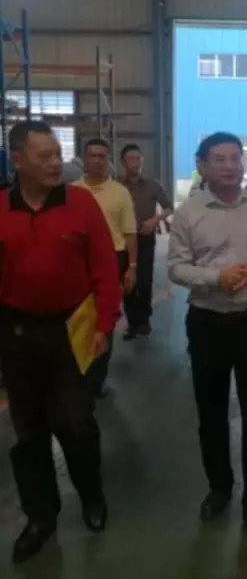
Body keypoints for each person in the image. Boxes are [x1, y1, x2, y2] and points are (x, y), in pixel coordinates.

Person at [0, 121, 121, 563]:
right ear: (17, 160)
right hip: (16, 334)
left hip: (73, 330)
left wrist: (105, 323)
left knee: (75, 422)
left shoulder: (81, 203)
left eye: (57, 153)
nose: (56, 163)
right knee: (28, 431)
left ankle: (91, 496)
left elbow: (104, 267)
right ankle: (40, 517)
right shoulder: (1, 208)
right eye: (45, 156)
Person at [167, 132, 247, 547]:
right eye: (220, 159)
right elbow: (176, 267)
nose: (230, 166)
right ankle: (219, 488)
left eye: (236, 158)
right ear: (202, 165)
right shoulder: (188, 213)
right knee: (211, 412)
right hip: (207, 323)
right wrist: (215, 277)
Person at [75, 139, 138, 397]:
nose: (97, 160)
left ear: (108, 160)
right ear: (84, 158)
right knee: (79, 316)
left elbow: (130, 232)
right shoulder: (71, 191)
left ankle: (98, 377)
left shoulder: (120, 192)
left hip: (113, 258)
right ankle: (78, 372)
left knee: (105, 317)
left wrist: (132, 266)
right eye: (92, 155)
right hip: (78, 260)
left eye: (102, 156)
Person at [120, 143, 174, 339]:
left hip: (145, 239)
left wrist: (154, 220)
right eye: (131, 159)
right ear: (124, 163)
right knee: (127, 282)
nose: (135, 163)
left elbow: (169, 207)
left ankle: (144, 321)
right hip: (123, 241)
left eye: (138, 159)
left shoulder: (153, 186)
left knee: (144, 281)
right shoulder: (117, 187)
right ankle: (132, 323)